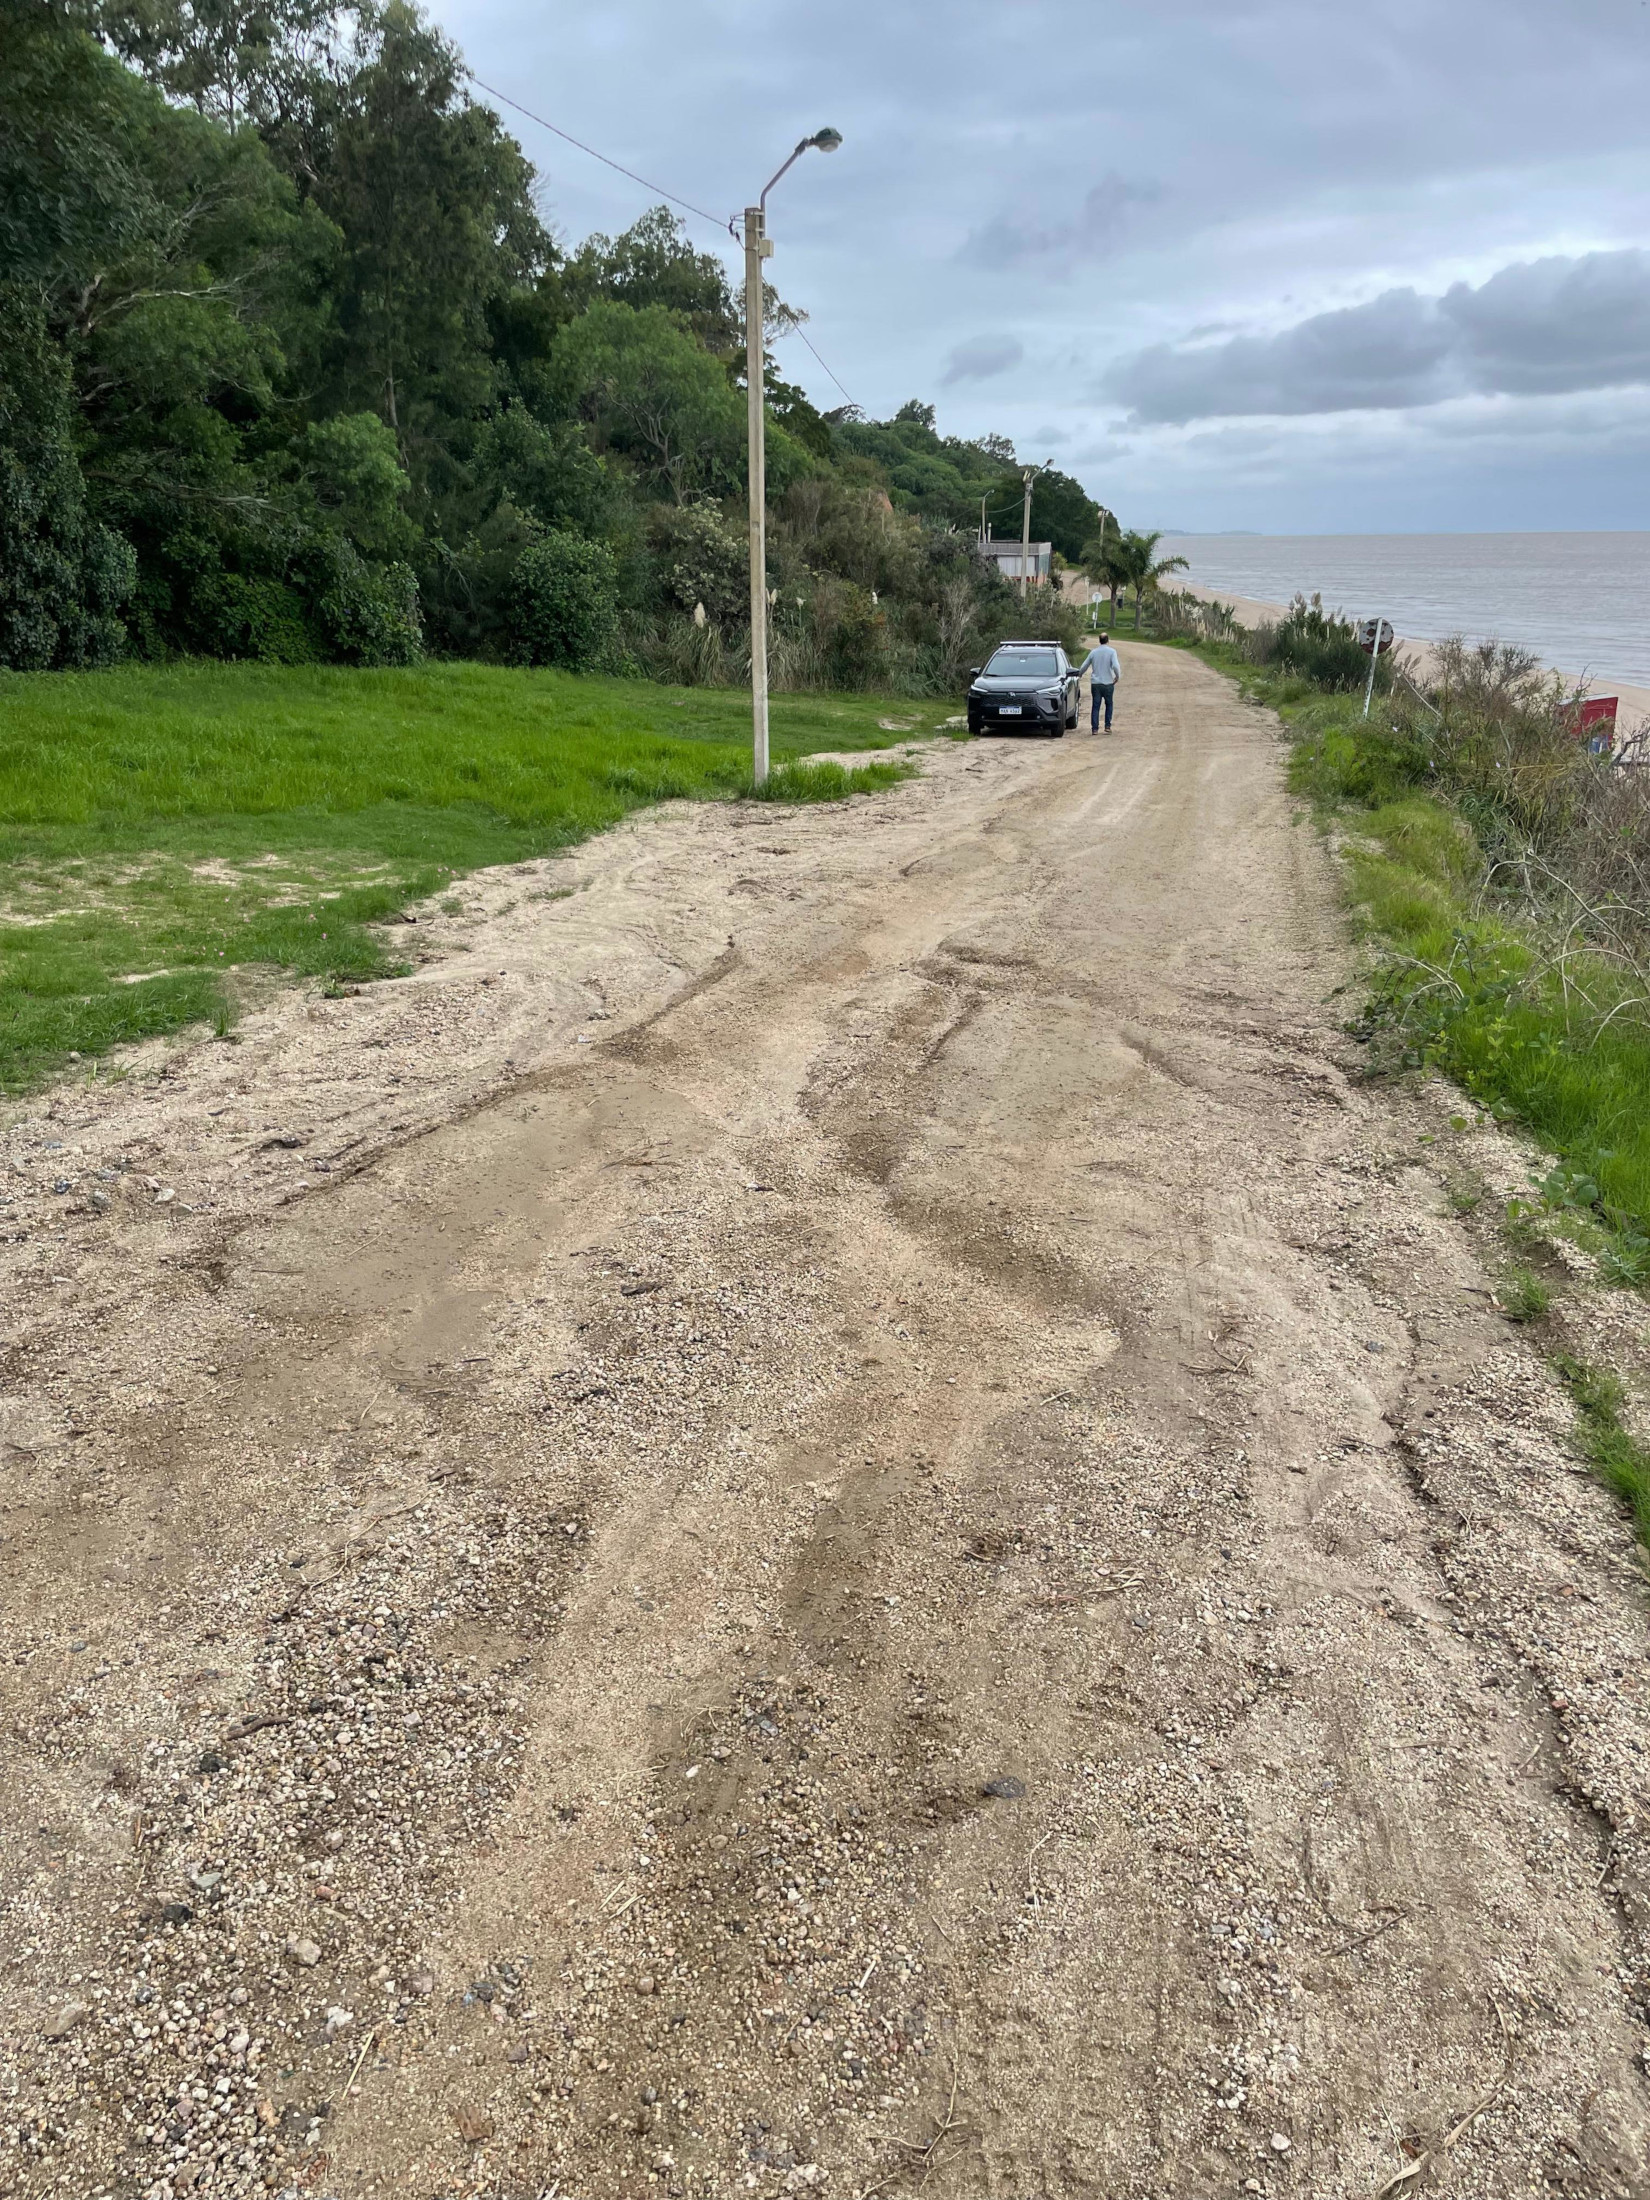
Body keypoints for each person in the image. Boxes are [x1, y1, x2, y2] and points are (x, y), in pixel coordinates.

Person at [1082, 633, 1121, 733]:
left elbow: (1085, 665)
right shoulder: (1112, 652)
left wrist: (1079, 674)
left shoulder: (1093, 652)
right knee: (1109, 704)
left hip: (1096, 683)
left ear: (1099, 641)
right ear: (1108, 640)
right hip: (1108, 683)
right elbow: (1116, 666)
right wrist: (1117, 676)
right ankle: (1107, 726)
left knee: (1096, 705)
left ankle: (1095, 728)